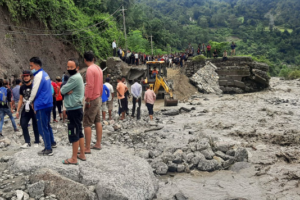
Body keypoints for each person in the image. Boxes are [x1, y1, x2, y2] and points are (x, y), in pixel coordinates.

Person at [29, 57, 56, 156]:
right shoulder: (45, 74)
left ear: (37, 66)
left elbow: (34, 91)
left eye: (31, 66)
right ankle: (52, 142)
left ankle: (48, 148)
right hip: (48, 103)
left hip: (41, 104)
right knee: (47, 124)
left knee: (41, 127)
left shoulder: (38, 76)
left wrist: (30, 101)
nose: (30, 68)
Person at [61, 59, 85, 164]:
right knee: (79, 131)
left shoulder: (74, 78)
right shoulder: (78, 77)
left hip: (73, 109)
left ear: (77, 67)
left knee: (73, 132)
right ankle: (82, 154)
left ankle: (74, 158)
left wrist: (65, 91)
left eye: (71, 67)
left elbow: (62, 90)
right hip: (78, 108)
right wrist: (66, 90)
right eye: (68, 67)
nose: (69, 69)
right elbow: (64, 89)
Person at [82, 51, 103, 153]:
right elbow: (101, 84)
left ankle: (87, 148)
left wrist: (88, 99)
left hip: (92, 98)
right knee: (97, 120)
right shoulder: (99, 68)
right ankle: (98, 143)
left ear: (85, 60)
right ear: (93, 59)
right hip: (99, 97)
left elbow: (89, 85)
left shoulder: (90, 70)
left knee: (87, 122)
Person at [16, 70, 40, 149]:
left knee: (35, 125)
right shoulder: (22, 87)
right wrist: (17, 110)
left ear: (30, 76)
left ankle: (37, 140)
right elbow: (20, 99)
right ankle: (27, 141)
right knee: (23, 124)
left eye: (27, 76)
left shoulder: (34, 86)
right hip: (26, 108)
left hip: (34, 107)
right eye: (24, 76)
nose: (26, 77)